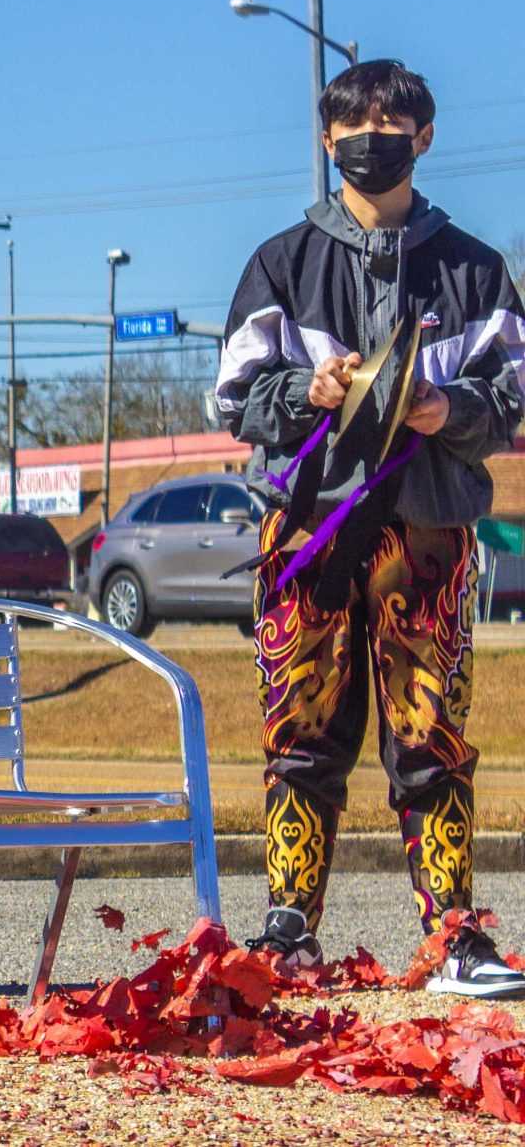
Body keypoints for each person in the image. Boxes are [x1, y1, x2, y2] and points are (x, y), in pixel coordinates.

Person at [215, 59, 525, 997]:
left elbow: (514, 394)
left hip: (428, 528)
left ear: (424, 138)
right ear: (326, 139)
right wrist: (301, 394)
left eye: (392, 124)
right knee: (300, 724)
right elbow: (233, 394)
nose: (371, 138)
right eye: (354, 125)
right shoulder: (281, 262)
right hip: (308, 528)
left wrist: (449, 409)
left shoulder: (475, 268)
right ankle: (287, 926)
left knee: (432, 724)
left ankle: (453, 936)